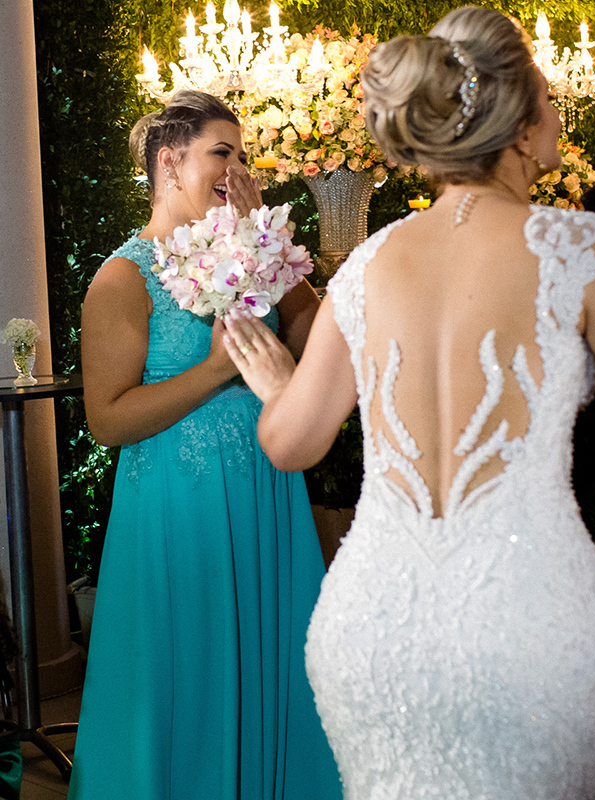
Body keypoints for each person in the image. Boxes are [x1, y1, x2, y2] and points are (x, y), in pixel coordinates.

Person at [221, 6, 595, 798]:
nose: (557, 113)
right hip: (530, 625)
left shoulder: (370, 264)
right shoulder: (580, 248)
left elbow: (290, 444)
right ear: (519, 124)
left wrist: (281, 384)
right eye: (550, 97)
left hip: (374, 627)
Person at [72, 90, 340, 799]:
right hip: (176, 510)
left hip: (266, 494)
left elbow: (318, 340)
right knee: (185, 673)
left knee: (273, 663)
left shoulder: (246, 255)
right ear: (170, 162)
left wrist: (270, 249)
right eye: (222, 152)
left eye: (242, 156)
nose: (237, 169)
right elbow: (109, 420)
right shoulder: (123, 278)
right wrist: (216, 370)